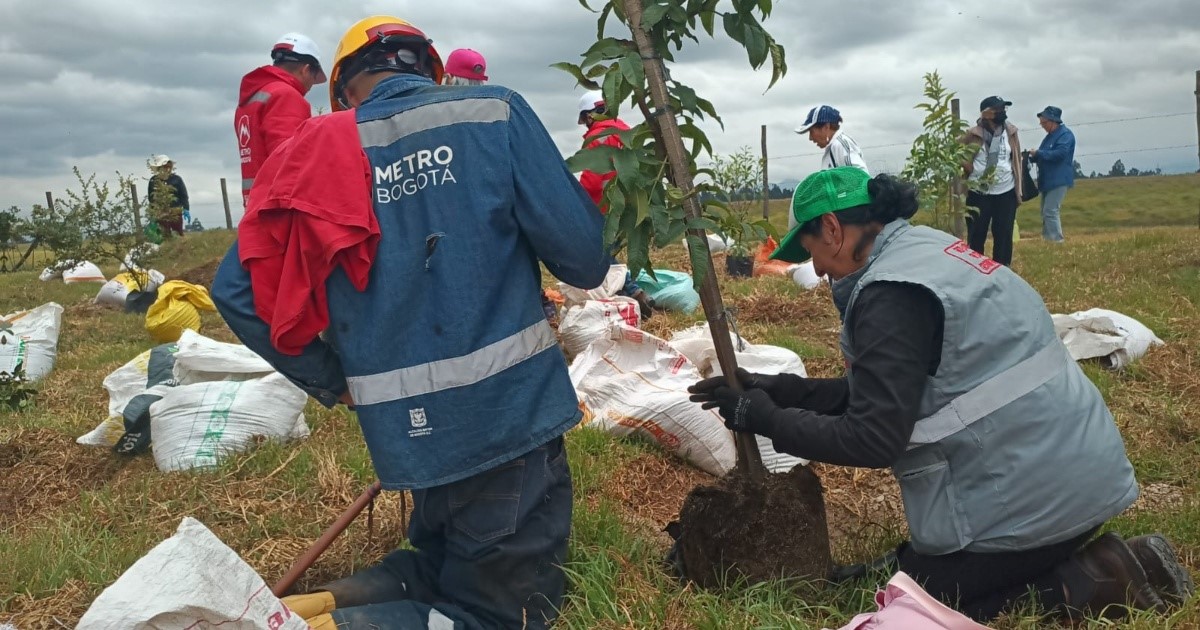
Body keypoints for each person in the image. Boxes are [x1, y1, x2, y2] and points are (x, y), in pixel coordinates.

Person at [211, 15, 607, 629]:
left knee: (441, 558)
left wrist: (331, 379)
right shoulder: (493, 113)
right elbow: (584, 261)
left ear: (344, 90)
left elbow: (235, 290)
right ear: (433, 69)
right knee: (499, 615)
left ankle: (308, 608)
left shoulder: (310, 152)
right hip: (508, 423)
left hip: (405, 436)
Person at [688, 166, 1193, 622]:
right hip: (1074, 470)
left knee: (925, 605)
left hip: (1044, 501)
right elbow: (892, 392)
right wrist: (782, 390)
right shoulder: (928, 250)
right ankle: (979, 561)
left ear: (834, 230)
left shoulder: (891, 295)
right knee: (909, 574)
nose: (816, 270)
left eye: (813, 251)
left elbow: (871, 438)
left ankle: (1105, 576)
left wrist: (766, 418)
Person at [576, 89, 656, 317]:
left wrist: (578, 201)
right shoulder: (626, 131)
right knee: (617, 251)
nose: (586, 125)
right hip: (632, 202)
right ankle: (631, 290)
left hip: (605, 206)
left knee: (601, 250)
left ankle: (633, 291)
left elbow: (592, 181)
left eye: (585, 119)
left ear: (591, 115)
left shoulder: (596, 139)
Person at [235, 33, 327, 206]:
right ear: (306, 70)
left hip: (256, 202)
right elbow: (290, 160)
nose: (310, 87)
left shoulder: (249, 100)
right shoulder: (286, 96)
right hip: (278, 206)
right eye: (313, 79)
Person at [960, 95, 1023, 266]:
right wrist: (970, 168)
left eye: (1004, 109)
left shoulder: (1011, 132)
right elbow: (959, 154)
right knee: (977, 234)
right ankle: (975, 270)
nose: (1002, 112)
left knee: (1003, 234)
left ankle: (1002, 271)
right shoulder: (973, 134)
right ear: (986, 113)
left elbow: (1015, 158)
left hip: (1006, 191)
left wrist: (1018, 187)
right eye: (998, 109)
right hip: (978, 193)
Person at [1028, 105, 1076, 242]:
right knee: (1045, 210)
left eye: (1044, 122)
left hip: (1059, 179)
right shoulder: (1050, 137)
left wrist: (1039, 153)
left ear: (1053, 121)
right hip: (1047, 180)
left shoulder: (1065, 135)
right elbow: (1045, 155)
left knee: (1050, 211)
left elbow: (1060, 154)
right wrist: (1031, 157)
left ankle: (1056, 241)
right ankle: (1048, 239)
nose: (1042, 125)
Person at [146, 154, 188, 238]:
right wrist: (153, 215)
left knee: (178, 234)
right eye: (165, 166)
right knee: (164, 235)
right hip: (161, 213)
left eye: (169, 166)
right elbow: (152, 199)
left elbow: (184, 195)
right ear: (159, 168)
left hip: (175, 212)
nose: (167, 169)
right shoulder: (153, 181)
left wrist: (186, 208)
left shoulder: (177, 179)